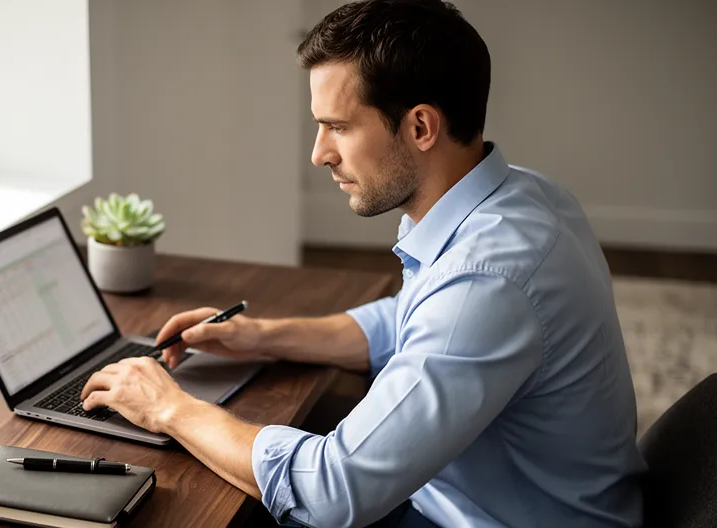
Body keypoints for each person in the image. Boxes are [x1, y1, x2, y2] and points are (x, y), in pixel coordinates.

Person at [79, 1, 646, 526]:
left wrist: (169, 408)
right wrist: (263, 336)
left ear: (420, 127)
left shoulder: (486, 280)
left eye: (339, 126)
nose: (319, 152)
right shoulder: (520, 197)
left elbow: (332, 491)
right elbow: (410, 320)